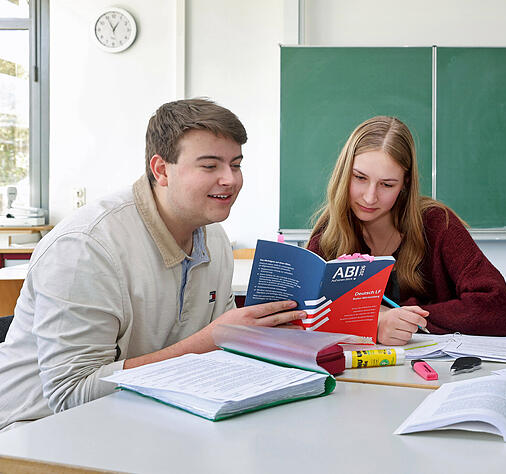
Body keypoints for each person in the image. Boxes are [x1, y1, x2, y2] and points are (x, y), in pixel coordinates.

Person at [0, 99, 303, 431]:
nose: (230, 179)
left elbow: (222, 355)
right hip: (38, 433)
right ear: (161, 170)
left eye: (236, 164)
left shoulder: (214, 236)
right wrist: (214, 340)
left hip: (145, 419)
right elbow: (72, 395)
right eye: (210, 165)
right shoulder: (86, 247)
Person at [307, 116, 506, 345]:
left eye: (387, 184)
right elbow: (308, 315)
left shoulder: (438, 224)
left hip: (434, 374)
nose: (369, 197)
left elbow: (499, 309)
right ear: (344, 172)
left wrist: (404, 319)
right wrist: (375, 323)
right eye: (359, 178)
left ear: (405, 183)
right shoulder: (328, 232)